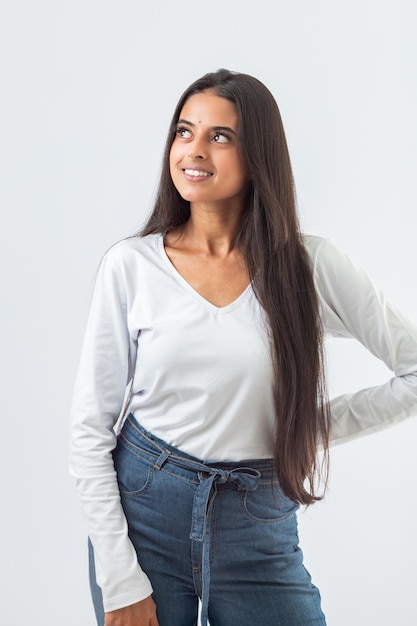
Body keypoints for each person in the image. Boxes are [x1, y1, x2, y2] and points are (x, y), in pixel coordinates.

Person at [69, 69, 417, 626]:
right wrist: (119, 577)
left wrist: (307, 430)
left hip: (258, 526)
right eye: (185, 131)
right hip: (145, 519)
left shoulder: (310, 266)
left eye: (220, 136)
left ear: (259, 154)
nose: (194, 150)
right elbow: (90, 431)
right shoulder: (131, 266)